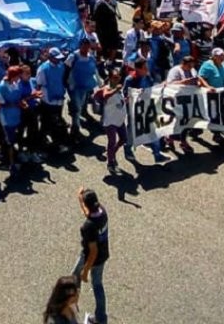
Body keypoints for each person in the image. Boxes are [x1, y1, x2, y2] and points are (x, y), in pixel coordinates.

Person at [72, 188, 109, 324]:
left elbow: (92, 252)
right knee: (98, 285)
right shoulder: (102, 212)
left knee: (75, 276)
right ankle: (101, 319)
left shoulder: (88, 227)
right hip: (103, 254)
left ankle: (70, 309)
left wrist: (86, 271)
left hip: (90, 257)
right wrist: (81, 200)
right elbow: (88, 212)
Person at [94, 70, 132, 174]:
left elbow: (117, 102)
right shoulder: (107, 88)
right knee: (112, 142)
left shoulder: (118, 89)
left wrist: (125, 100)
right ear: (110, 78)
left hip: (119, 120)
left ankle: (111, 153)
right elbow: (106, 96)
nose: (118, 79)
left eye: (118, 77)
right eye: (115, 77)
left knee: (124, 139)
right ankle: (110, 163)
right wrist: (115, 90)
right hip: (110, 121)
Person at [64, 38, 100, 141]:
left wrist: (98, 84)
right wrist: (66, 83)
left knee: (80, 105)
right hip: (74, 87)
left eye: (87, 46)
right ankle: (75, 128)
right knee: (78, 107)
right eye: (83, 46)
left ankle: (76, 124)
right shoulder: (73, 57)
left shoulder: (91, 57)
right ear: (80, 46)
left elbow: (94, 71)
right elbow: (66, 69)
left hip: (85, 87)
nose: (85, 48)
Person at [36, 47, 69, 154]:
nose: (58, 59)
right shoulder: (43, 69)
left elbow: (62, 80)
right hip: (48, 101)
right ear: (50, 57)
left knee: (57, 122)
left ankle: (57, 144)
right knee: (46, 123)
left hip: (59, 99)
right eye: (56, 58)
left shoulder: (61, 66)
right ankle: (41, 144)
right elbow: (39, 85)